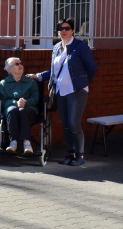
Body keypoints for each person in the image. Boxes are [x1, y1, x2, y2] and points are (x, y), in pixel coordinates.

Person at [27, 18, 97, 166]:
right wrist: (39, 76)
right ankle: (70, 154)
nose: (63, 31)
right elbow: (54, 70)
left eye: (67, 28)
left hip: (76, 91)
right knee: (65, 123)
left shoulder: (80, 47)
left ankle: (80, 155)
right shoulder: (57, 47)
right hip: (60, 91)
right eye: (61, 28)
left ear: (73, 30)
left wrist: (82, 82)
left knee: (73, 123)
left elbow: (92, 68)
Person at [0, 57, 39, 154]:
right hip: (11, 108)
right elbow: (3, 101)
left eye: (20, 63)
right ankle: (13, 142)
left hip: (29, 108)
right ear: (10, 69)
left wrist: (26, 102)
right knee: (13, 110)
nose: (20, 65)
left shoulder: (31, 82)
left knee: (22, 111)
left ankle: (27, 143)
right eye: (17, 64)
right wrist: (14, 103)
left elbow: (36, 98)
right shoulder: (3, 83)